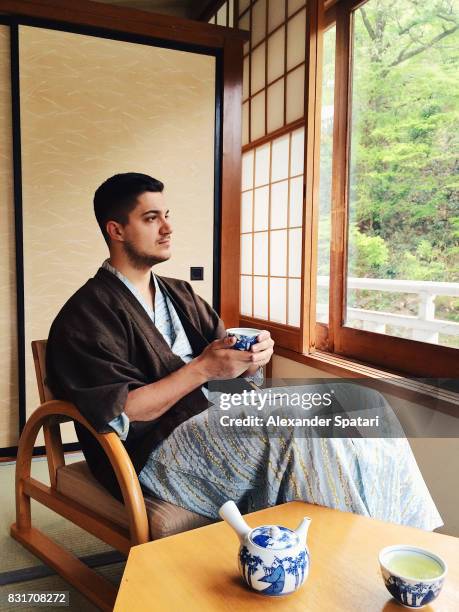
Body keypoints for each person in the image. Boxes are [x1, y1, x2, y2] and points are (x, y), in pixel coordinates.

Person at [46, 172, 443, 531]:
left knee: (363, 400)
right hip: (156, 453)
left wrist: (251, 359)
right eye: (151, 218)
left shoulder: (180, 293)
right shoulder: (85, 315)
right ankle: (345, 554)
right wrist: (203, 368)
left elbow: (229, 363)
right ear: (115, 229)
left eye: (166, 215)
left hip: (222, 420)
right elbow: (124, 412)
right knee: (302, 420)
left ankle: (409, 538)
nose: (168, 228)